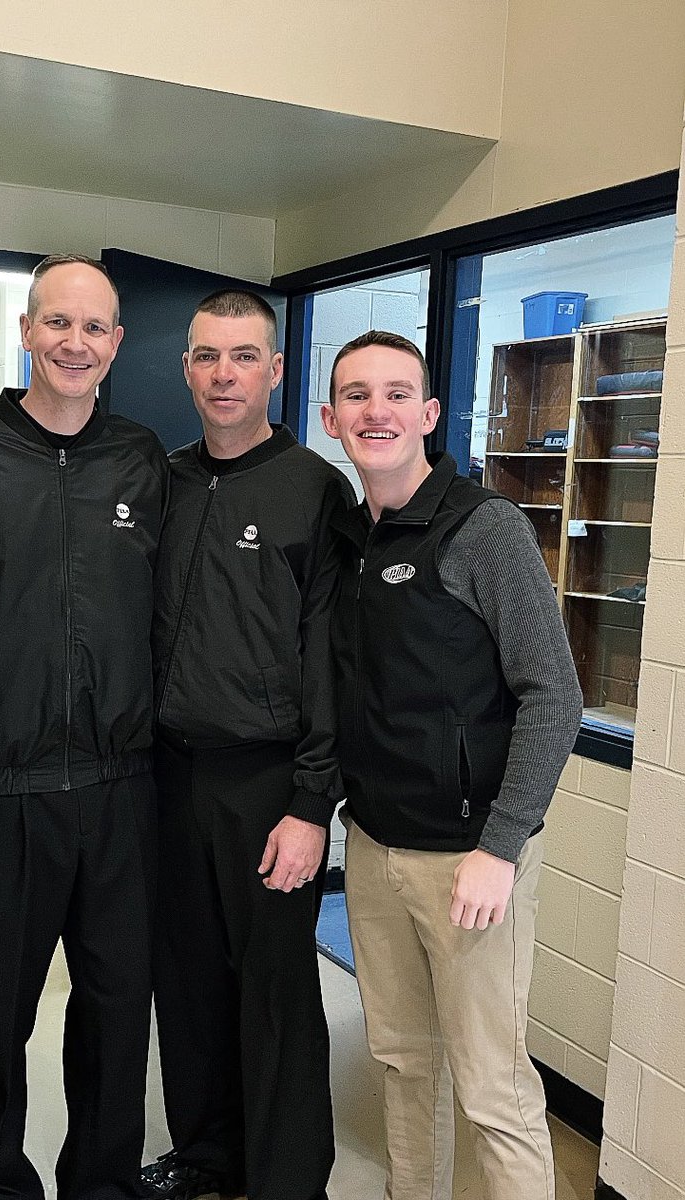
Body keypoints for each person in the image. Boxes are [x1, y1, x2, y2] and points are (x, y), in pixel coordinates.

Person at [0, 254, 168, 1200]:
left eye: (94, 328)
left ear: (116, 345)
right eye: (57, 323)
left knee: (111, 1013)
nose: (74, 343)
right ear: (25, 331)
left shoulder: (142, 456)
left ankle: (100, 1184)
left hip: (120, 792)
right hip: (0, 789)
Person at [320, 329, 583, 1200]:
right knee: (400, 1063)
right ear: (330, 418)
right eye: (356, 395)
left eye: (397, 393)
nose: (376, 411)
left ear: (429, 414)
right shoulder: (348, 538)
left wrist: (500, 846)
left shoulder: (483, 527)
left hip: (471, 861)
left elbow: (553, 696)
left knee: (492, 1089)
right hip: (373, 849)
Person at [143, 290, 352, 1200]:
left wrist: (312, 804)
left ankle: (284, 1177)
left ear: (274, 370)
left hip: (269, 782)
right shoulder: (166, 480)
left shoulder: (315, 490)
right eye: (205, 356)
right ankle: (206, 1155)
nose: (222, 373)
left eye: (242, 356)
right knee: (185, 986)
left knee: (272, 992)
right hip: (166, 776)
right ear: (185, 368)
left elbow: (333, 658)